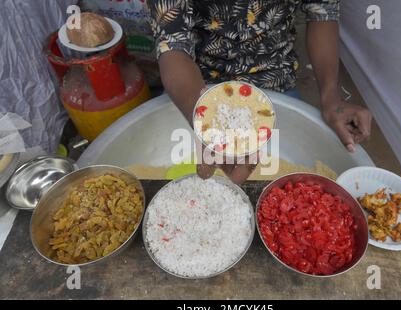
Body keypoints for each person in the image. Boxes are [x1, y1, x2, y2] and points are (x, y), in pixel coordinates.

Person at [147, 0, 372, 184]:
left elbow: (322, 12)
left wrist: (331, 97)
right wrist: (208, 124)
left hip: (274, 78)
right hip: (197, 81)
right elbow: (172, 44)